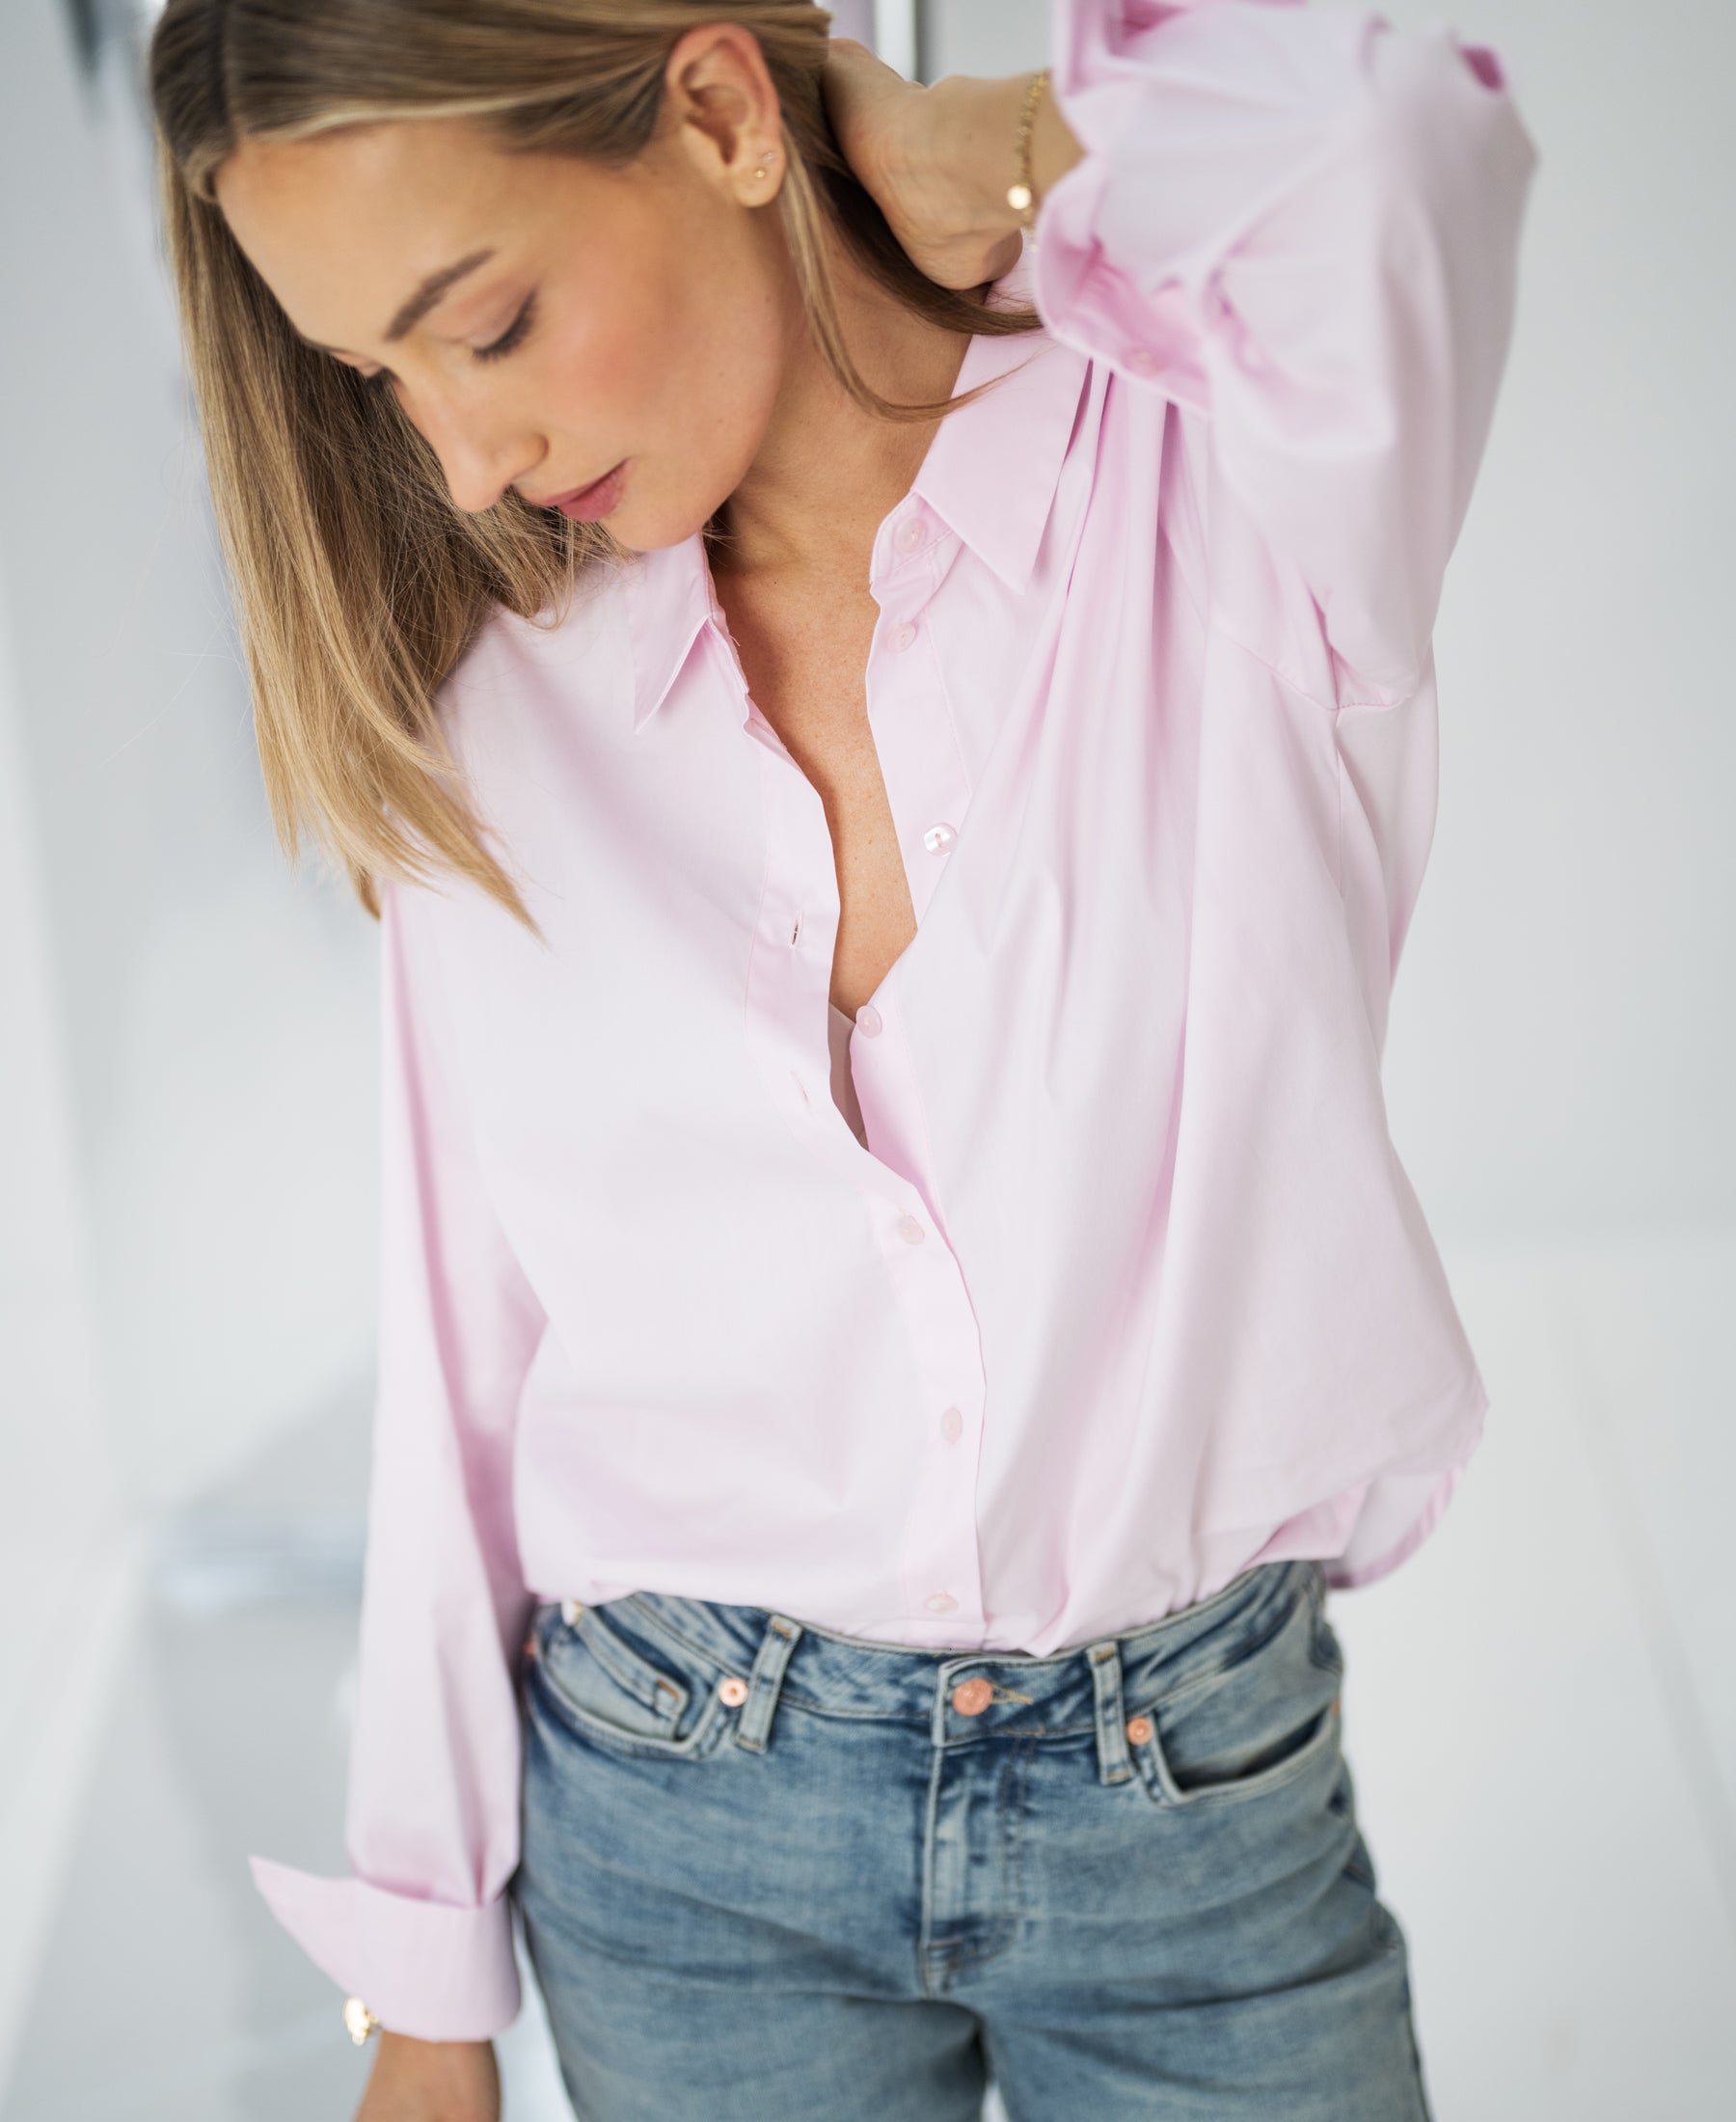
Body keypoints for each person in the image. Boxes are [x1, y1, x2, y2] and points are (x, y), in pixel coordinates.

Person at [146, 1, 1536, 2116]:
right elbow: (464, 1346)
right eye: (381, 381)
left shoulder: (1222, 488)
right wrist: (424, 1976)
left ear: (712, 111)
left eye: (490, 321)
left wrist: (1001, 138)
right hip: (683, 1822)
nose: (461, 458)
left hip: (1197, 1816)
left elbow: (1395, 129)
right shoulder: (500, 704)